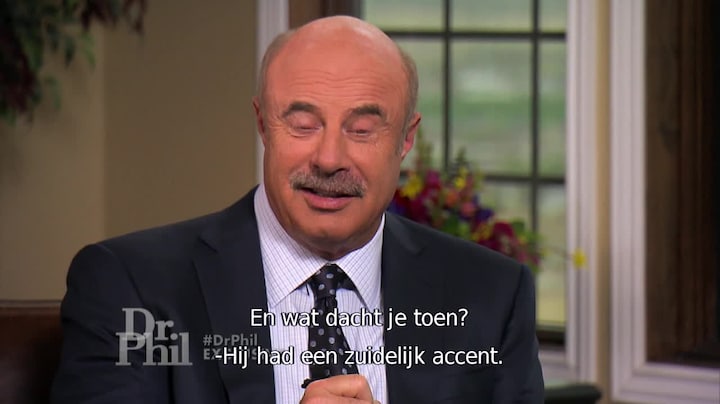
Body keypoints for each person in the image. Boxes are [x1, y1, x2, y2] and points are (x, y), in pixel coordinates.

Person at [51, 15, 543, 404]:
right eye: (304, 125)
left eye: (362, 130)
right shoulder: (132, 288)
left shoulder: (491, 294)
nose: (329, 159)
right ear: (263, 125)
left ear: (406, 139)